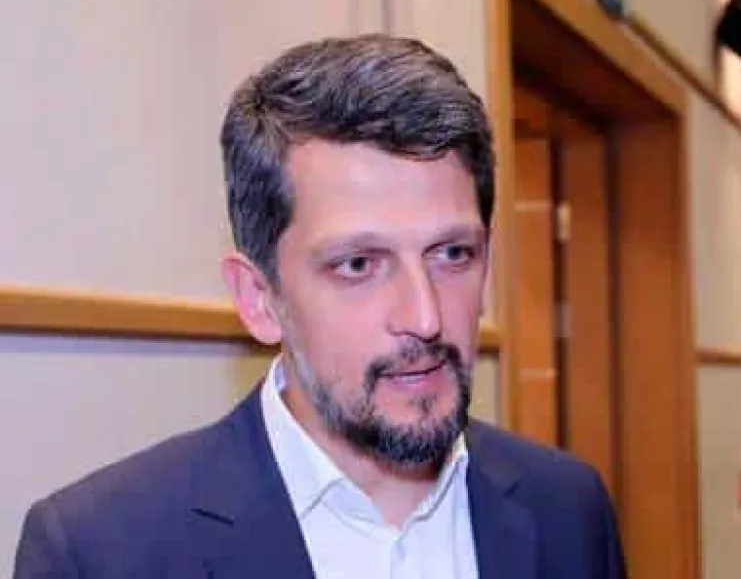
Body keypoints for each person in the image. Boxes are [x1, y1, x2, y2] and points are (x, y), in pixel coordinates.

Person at [13, 34, 626, 579]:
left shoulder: (568, 509)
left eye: (452, 254)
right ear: (259, 299)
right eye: (358, 264)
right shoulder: (98, 553)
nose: (425, 317)